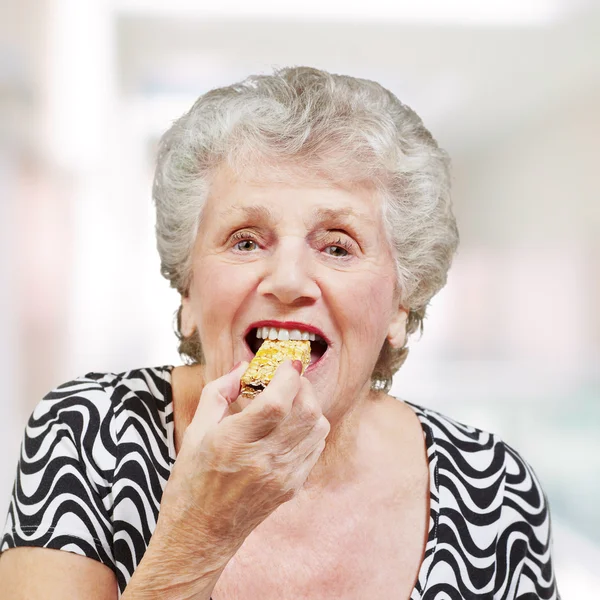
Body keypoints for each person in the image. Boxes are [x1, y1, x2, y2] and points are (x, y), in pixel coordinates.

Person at [0, 66, 559, 599]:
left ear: (398, 306)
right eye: (246, 240)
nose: (290, 281)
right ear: (188, 294)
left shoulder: (497, 488)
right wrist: (201, 532)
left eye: (338, 245)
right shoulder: (86, 434)